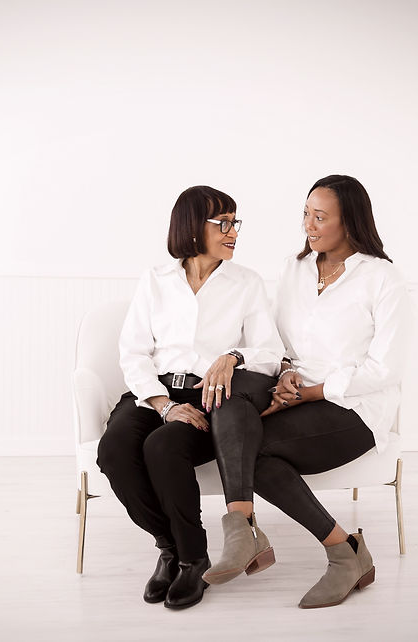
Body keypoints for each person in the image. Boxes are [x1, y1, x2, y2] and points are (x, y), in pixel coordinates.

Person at [202, 175, 412, 608]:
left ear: (350, 222)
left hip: (354, 408)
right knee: (239, 412)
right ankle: (326, 547)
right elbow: (279, 340)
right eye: (305, 214)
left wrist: (316, 391)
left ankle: (340, 553)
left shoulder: (383, 279)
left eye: (320, 217)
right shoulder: (295, 269)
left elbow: (385, 369)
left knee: (253, 450)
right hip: (298, 397)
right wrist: (284, 374)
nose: (309, 226)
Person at [96, 185, 283, 610]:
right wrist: (162, 404)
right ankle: (171, 548)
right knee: (115, 450)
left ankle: (194, 561)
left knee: (163, 447)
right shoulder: (156, 280)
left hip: (208, 395)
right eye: (224, 223)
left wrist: (232, 356)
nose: (234, 231)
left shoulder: (246, 283)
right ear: (193, 227)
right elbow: (134, 352)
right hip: (155, 392)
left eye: (236, 222)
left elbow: (271, 354)